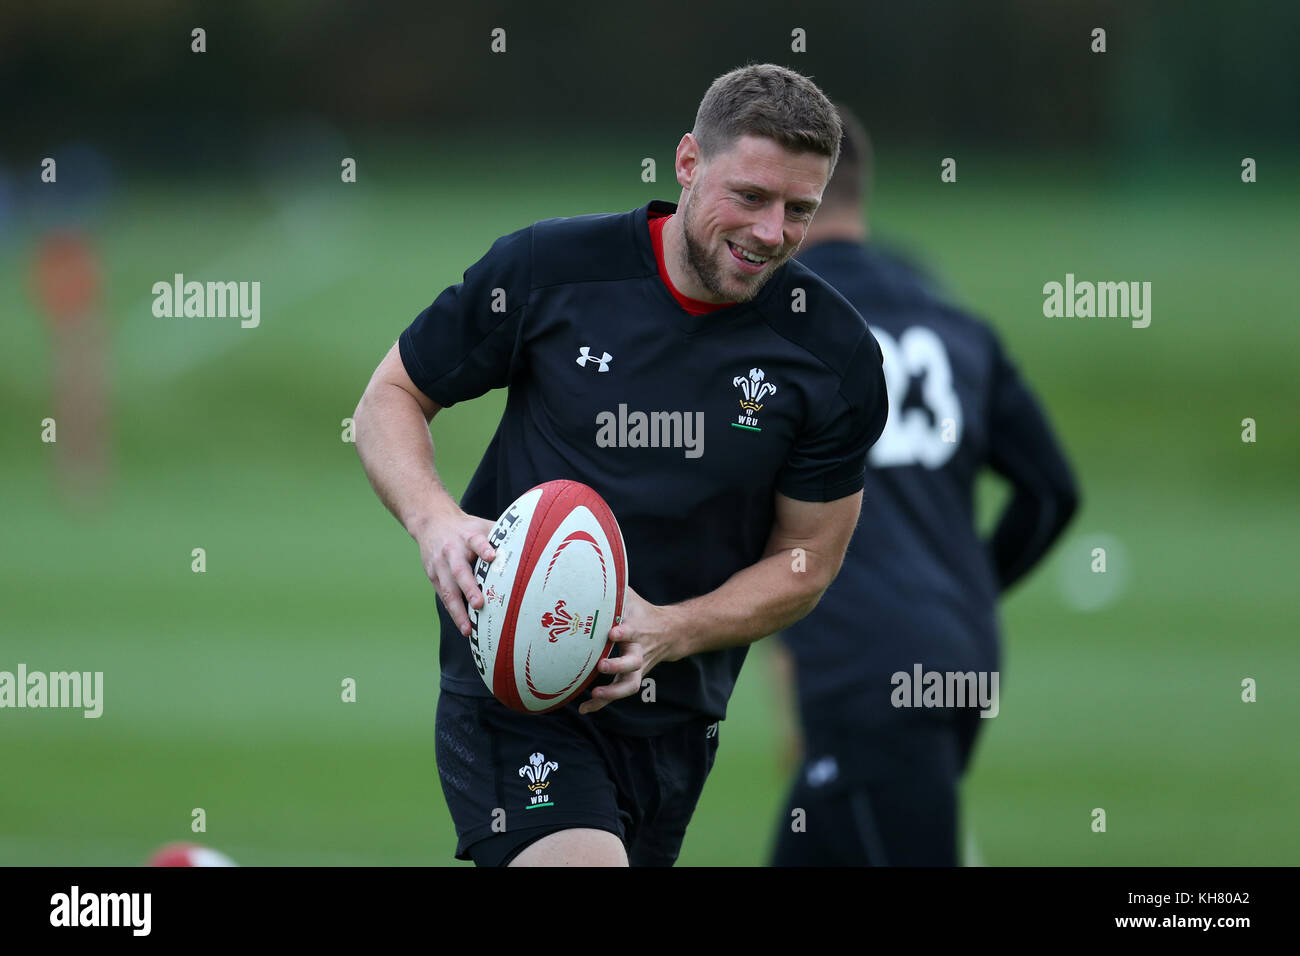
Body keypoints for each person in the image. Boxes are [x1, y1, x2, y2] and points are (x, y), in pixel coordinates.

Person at [354, 65, 889, 867]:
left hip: (674, 721)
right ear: (686, 164)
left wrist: (673, 630)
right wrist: (434, 519)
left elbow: (808, 560)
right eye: (749, 196)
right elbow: (390, 396)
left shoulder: (833, 356)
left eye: (798, 211)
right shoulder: (549, 270)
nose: (771, 232)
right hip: (516, 688)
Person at [769, 106, 1080, 866]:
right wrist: (957, 588)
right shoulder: (951, 318)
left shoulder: (771, 323)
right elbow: (1052, 492)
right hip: (954, 661)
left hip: (868, 679)